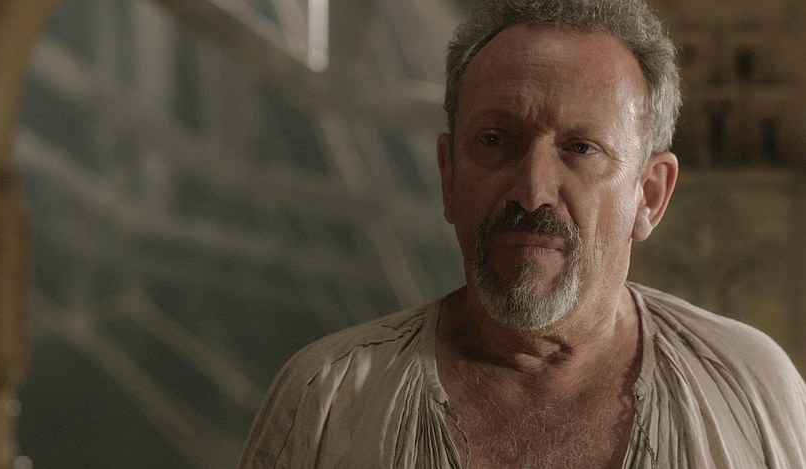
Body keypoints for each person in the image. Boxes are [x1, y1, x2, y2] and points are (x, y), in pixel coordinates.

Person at [239, 0, 806, 467]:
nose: (533, 191)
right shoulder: (330, 400)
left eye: (580, 148)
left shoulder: (751, 389)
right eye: (494, 141)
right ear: (449, 176)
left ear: (650, 194)